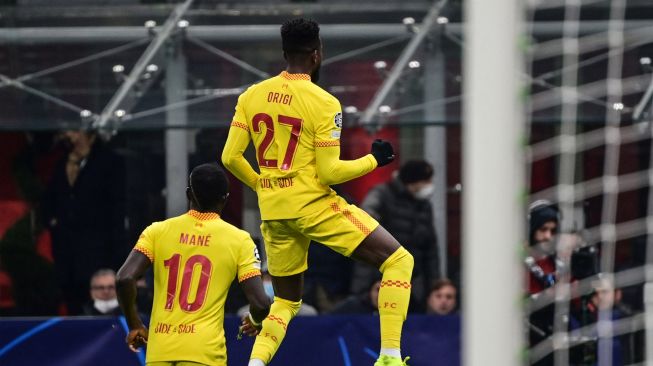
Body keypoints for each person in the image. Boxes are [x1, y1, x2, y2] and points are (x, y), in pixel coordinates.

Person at [222, 18, 414, 366]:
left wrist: (265, 185)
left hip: (275, 212)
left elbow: (229, 157)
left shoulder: (251, 95)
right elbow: (330, 171)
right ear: (316, 54)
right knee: (399, 260)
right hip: (313, 206)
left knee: (285, 302)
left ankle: (254, 364)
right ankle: (389, 356)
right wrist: (374, 160)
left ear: (284, 54)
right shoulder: (324, 102)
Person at [116, 163, 271, 366]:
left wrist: (134, 324)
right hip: (204, 354)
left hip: (159, 352)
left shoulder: (157, 231)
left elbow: (124, 278)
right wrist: (254, 320)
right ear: (225, 198)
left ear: (189, 194)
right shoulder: (239, 240)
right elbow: (261, 303)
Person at [42, 129, 128, 315]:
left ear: (90, 136)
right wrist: (53, 221)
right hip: (67, 254)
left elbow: (118, 207)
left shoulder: (109, 163)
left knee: (101, 305)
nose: (68, 136)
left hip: (98, 252)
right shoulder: (62, 162)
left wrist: (117, 256)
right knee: (72, 301)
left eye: (74, 131)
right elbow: (52, 198)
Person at [353, 159, 440, 308]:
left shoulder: (424, 205)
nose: (430, 185)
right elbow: (365, 228)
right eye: (426, 180)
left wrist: (433, 285)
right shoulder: (382, 195)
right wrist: (365, 286)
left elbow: (430, 249)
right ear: (414, 181)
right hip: (381, 278)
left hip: (413, 281)